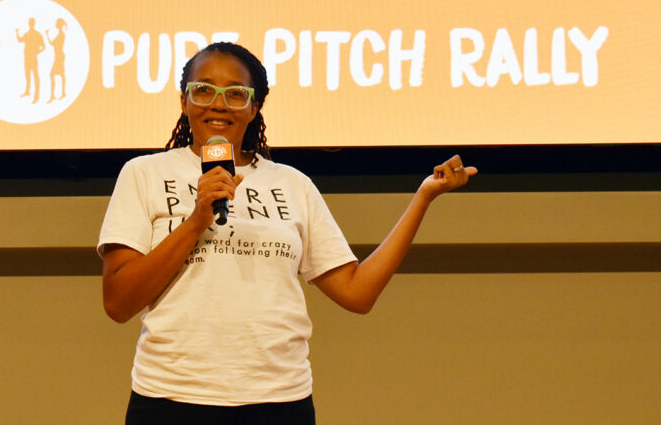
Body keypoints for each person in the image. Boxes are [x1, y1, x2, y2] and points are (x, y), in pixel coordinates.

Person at [98, 42, 476, 425]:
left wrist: (423, 197)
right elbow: (118, 303)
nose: (218, 104)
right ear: (184, 100)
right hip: (170, 398)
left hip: (279, 401)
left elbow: (357, 292)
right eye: (204, 90)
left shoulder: (292, 184)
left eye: (235, 94)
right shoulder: (144, 174)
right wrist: (197, 220)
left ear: (254, 107)